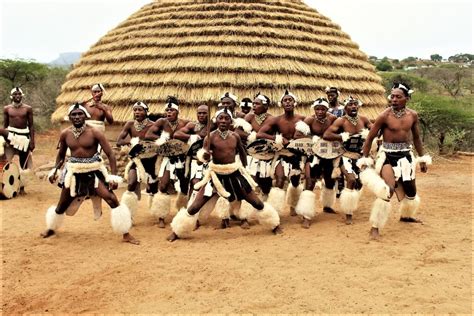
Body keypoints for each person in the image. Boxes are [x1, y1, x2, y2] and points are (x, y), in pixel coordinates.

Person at [166, 108, 282, 242]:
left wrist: (244, 170)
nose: (223, 121)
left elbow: (242, 153)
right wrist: (205, 155)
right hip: (215, 176)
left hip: (234, 174)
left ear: (230, 121)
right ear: (216, 120)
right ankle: (177, 231)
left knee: (255, 201)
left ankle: (274, 225)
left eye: (226, 118)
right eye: (220, 118)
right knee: (195, 206)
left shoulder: (235, 136)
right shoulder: (210, 137)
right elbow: (200, 159)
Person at [40, 103, 139, 245]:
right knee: (62, 204)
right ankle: (51, 228)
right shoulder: (66, 134)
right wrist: (55, 170)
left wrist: (113, 177)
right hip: (73, 173)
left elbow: (110, 154)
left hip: (93, 172)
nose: (77, 117)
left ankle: (126, 233)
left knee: (111, 199)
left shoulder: (95, 132)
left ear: (85, 116)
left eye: (80, 114)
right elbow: (61, 155)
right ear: (69, 117)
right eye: (74, 114)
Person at [359, 83, 431, 239]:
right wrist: (365, 158)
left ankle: (406, 215)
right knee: (388, 189)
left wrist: (422, 158)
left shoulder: (412, 115)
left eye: (399, 97)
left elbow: (417, 138)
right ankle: (375, 227)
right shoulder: (384, 115)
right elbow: (370, 136)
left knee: (411, 191)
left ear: (407, 98)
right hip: (387, 156)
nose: (394, 99)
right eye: (392, 96)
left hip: (406, 156)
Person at [257, 90, 306, 217]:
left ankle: (293, 206)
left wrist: (301, 140)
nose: (288, 102)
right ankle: (275, 212)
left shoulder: (302, 119)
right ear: (281, 104)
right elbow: (260, 134)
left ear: (295, 103)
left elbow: (312, 134)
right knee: (279, 180)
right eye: (285, 100)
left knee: (295, 182)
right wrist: (278, 139)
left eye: (290, 100)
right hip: (281, 154)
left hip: (296, 155)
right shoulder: (276, 120)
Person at [323, 96, 371, 224]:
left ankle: (349, 201)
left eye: (355, 104)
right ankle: (348, 213)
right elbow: (327, 135)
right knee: (351, 180)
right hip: (345, 156)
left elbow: (374, 130)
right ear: (345, 107)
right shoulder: (341, 121)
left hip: (359, 157)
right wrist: (341, 136)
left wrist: (369, 134)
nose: (353, 106)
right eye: (350, 105)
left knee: (359, 183)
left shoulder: (364, 119)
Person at [293, 98, 338, 228]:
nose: (319, 111)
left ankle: (327, 206)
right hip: (313, 155)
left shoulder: (333, 119)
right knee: (310, 181)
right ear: (314, 109)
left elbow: (338, 132)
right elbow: (297, 135)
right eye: (317, 109)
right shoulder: (309, 120)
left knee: (330, 180)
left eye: (322, 109)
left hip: (329, 154)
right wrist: (312, 138)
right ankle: (306, 215)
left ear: (327, 109)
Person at [145, 96, 188, 228]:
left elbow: (192, 135)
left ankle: (184, 214)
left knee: (184, 186)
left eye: (172, 111)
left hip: (181, 158)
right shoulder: (161, 122)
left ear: (177, 112)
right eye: (167, 111)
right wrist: (163, 138)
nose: (169, 113)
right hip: (167, 159)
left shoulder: (184, 123)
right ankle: (161, 216)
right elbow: (148, 135)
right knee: (163, 185)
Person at [233, 93, 274, 227]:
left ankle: (265, 215)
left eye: (257, 104)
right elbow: (237, 132)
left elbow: (278, 136)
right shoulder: (249, 117)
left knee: (266, 187)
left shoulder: (272, 119)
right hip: (251, 156)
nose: (253, 106)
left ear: (266, 106)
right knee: (249, 184)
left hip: (267, 157)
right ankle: (244, 217)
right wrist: (251, 136)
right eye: (254, 103)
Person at [116, 101, 156, 222]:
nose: (137, 112)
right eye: (135, 110)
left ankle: (160, 216)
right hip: (136, 160)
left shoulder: (153, 125)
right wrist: (133, 143)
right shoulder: (130, 124)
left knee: (154, 188)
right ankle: (128, 214)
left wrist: (149, 145)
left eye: (140, 110)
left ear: (146, 112)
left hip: (151, 161)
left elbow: (160, 141)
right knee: (131, 183)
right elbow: (119, 141)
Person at [173, 104, 211, 199]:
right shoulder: (192, 125)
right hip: (194, 160)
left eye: (204, 113)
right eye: (199, 113)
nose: (201, 115)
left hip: (210, 160)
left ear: (209, 114)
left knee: (206, 186)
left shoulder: (213, 125)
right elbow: (177, 134)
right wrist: (191, 137)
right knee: (194, 182)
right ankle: (190, 207)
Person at [3, 87, 35, 193]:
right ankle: (5, 186)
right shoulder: (7, 108)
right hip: (11, 137)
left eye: (19, 94)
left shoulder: (28, 108)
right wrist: (5, 140)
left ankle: (22, 187)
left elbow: (31, 126)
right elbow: (5, 125)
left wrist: (32, 141)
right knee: (6, 162)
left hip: (24, 138)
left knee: (23, 163)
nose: (17, 96)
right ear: (12, 96)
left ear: (22, 95)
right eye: (15, 94)